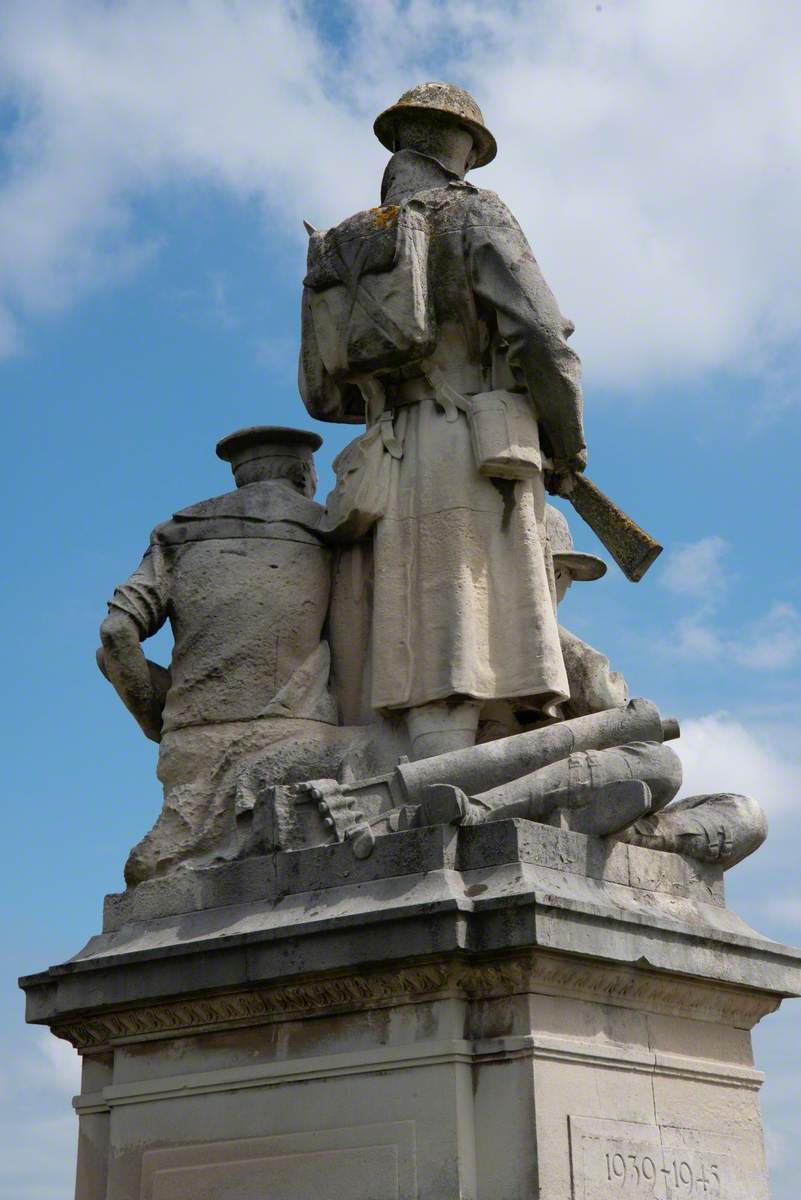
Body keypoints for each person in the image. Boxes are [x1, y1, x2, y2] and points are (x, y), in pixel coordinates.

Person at [300, 82, 587, 760]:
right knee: (467, 632)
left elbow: (319, 394)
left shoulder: (341, 244)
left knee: (408, 634)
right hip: (470, 444)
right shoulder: (474, 213)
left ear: (400, 141)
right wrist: (566, 441)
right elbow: (543, 336)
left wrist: (388, 396)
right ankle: (452, 793)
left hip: (382, 461)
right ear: (464, 148)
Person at [98, 426, 383, 885]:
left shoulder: (176, 535)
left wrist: (162, 721)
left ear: (240, 477)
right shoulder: (329, 529)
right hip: (300, 738)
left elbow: (116, 634)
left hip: (189, 743)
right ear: (302, 473)